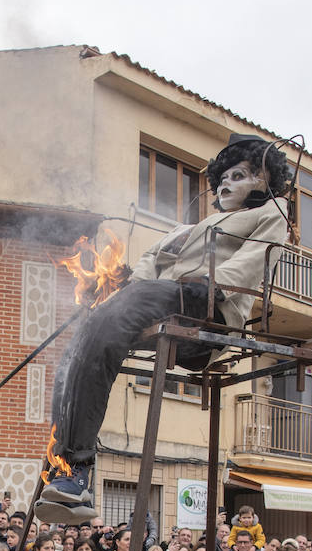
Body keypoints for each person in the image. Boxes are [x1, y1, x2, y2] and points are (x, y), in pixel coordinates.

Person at [39, 135, 292, 522]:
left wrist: (212, 282)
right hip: (163, 298)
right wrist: (130, 288)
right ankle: (67, 470)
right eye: (221, 178)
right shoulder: (189, 228)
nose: (225, 183)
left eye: (238, 175)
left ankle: (80, 470)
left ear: (263, 178)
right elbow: (150, 257)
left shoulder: (272, 212)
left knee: (118, 310)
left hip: (208, 306)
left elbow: (257, 256)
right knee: (79, 344)